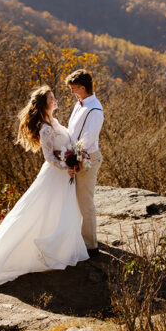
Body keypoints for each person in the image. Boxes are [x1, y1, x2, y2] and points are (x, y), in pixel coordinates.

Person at [0, 85, 88, 285]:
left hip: (65, 176)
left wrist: (76, 158)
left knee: (63, 211)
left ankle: (62, 247)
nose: (56, 100)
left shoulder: (55, 122)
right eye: (52, 98)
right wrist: (67, 165)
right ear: (44, 104)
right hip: (55, 174)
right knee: (40, 211)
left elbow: (68, 144)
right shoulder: (45, 128)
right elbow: (49, 157)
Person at [64, 69, 104, 257]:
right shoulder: (79, 104)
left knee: (85, 201)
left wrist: (76, 159)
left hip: (87, 158)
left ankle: (91, 245)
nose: (71, 92)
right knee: (75, 200)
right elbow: (73, 132)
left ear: (83, 87)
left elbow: (87, 139)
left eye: (74, 88)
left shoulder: (94, 109)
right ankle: (80, 238)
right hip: (76, 155)